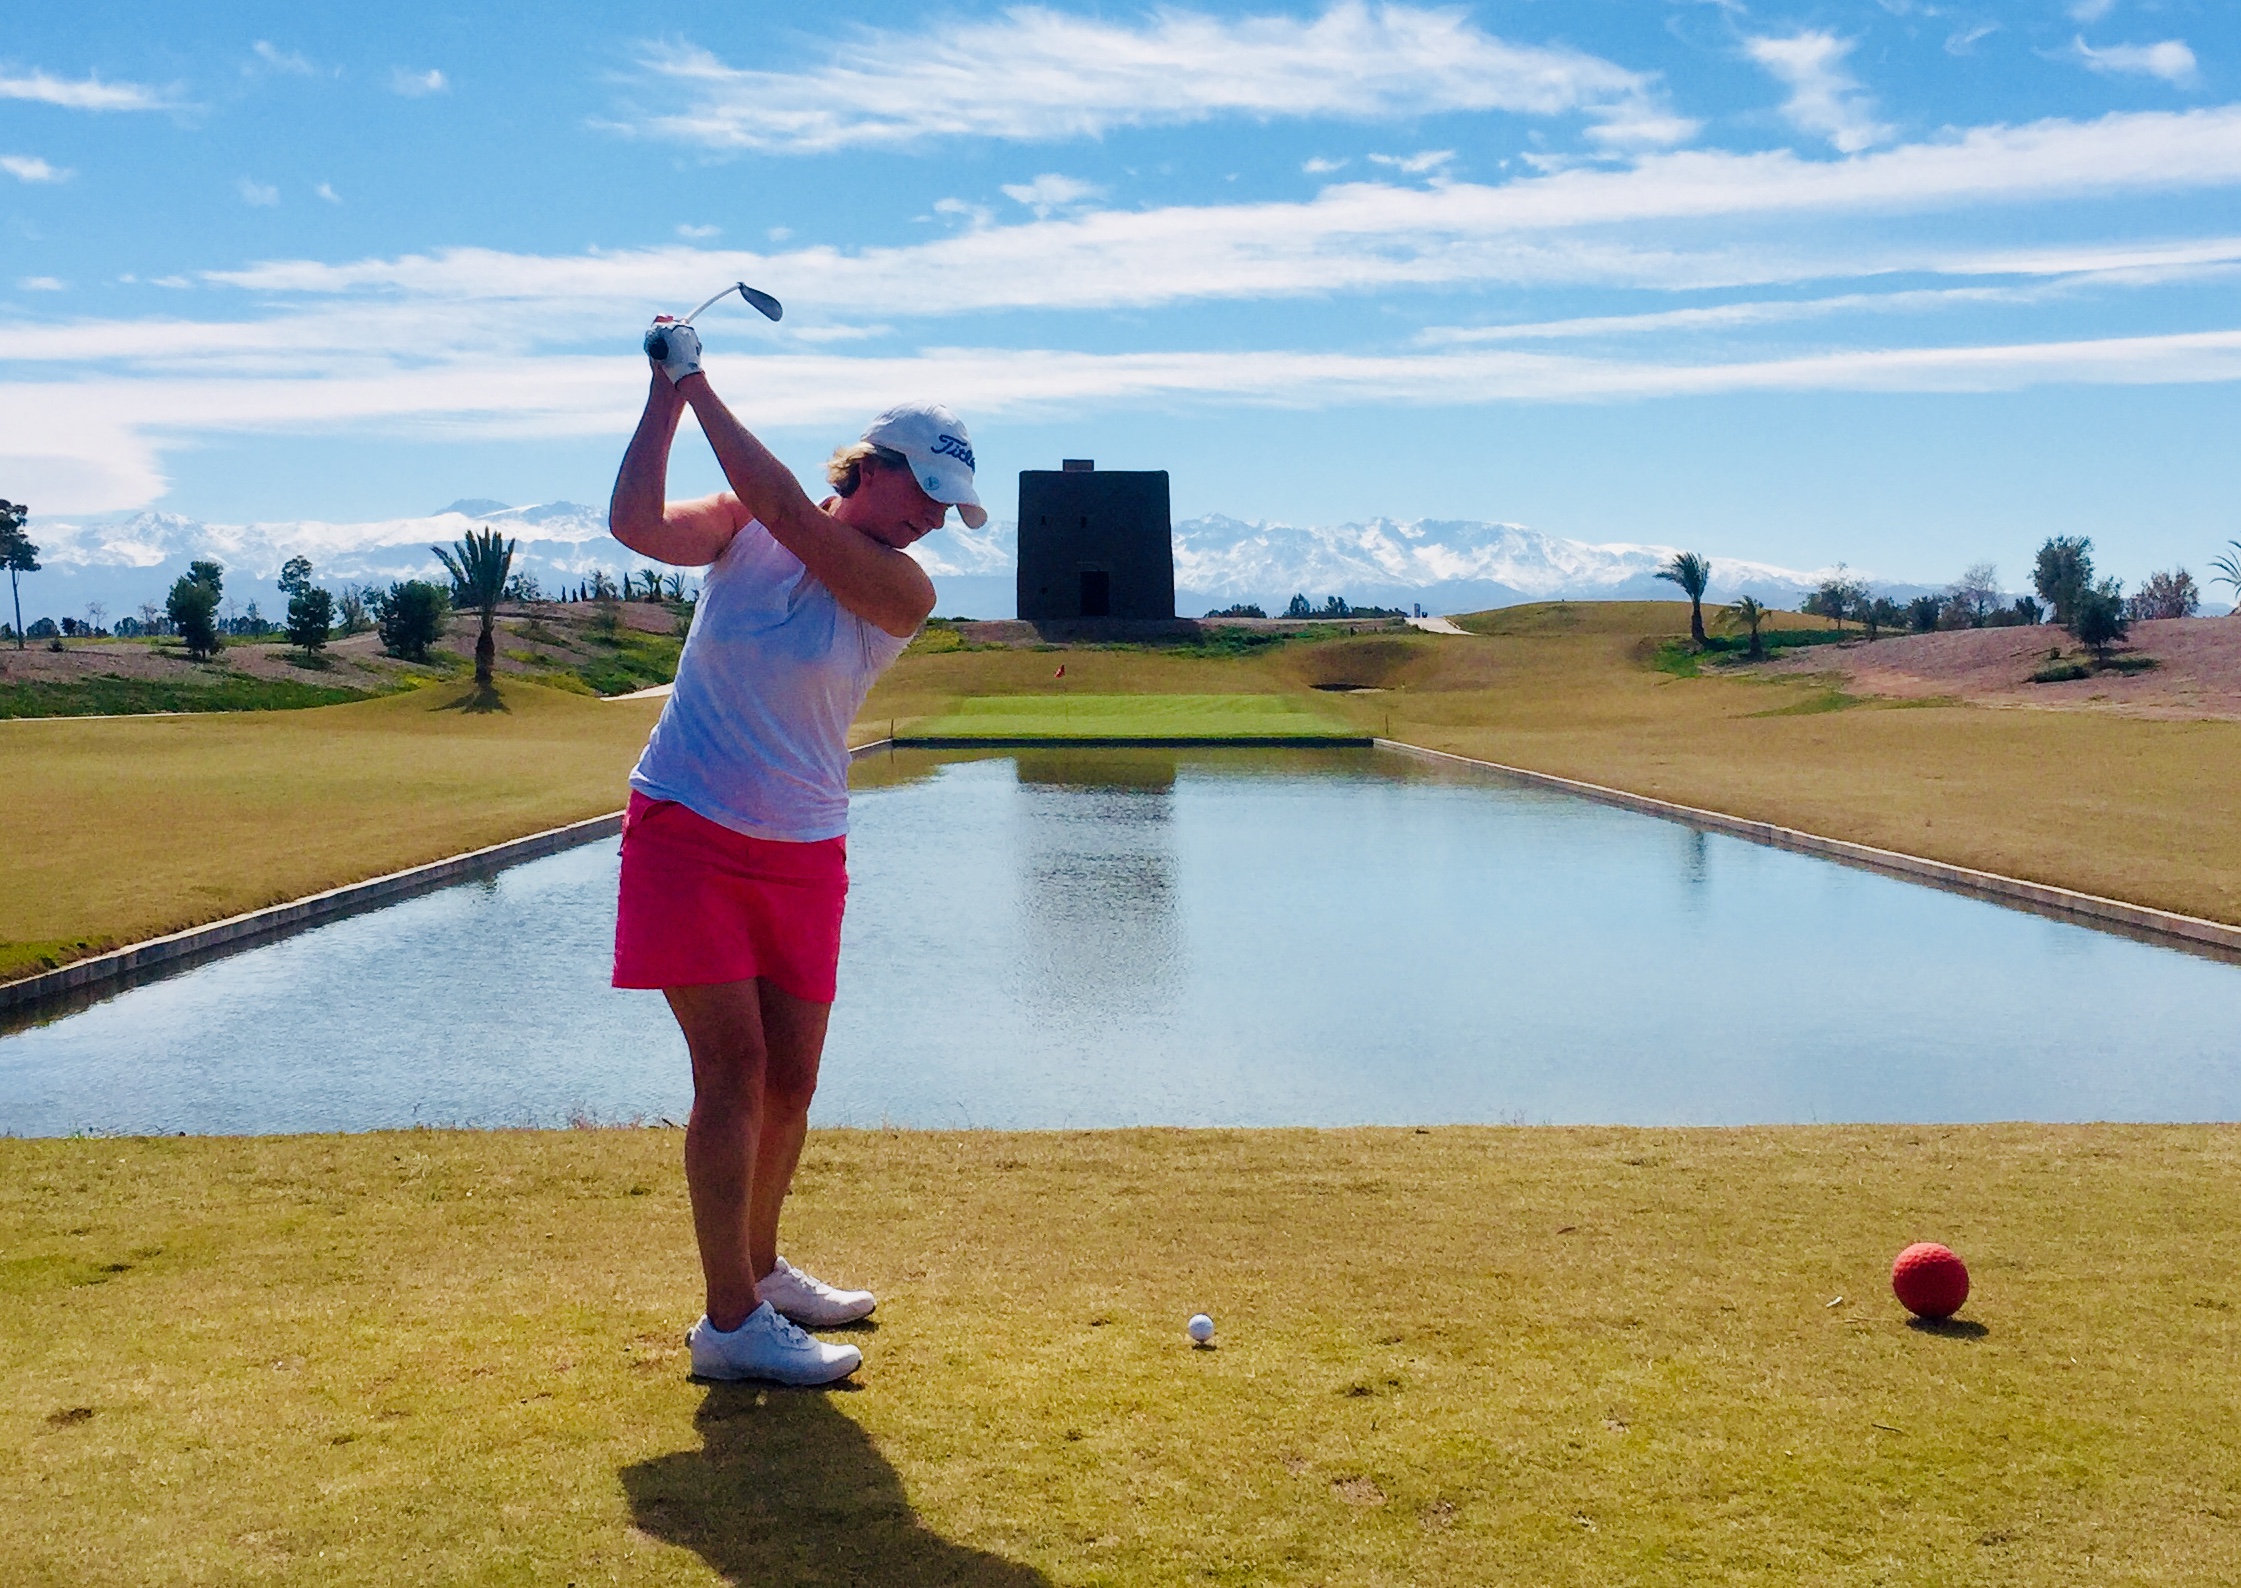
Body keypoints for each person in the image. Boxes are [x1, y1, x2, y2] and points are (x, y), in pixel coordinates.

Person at [607, 318, 985, 1385]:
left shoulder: (902, 592)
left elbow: (784, 504)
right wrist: (667, 397)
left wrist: (700, 377)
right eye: (923, 494)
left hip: (805, 845)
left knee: (792, 1082)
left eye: (946, 510)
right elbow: (633, 521)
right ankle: (729, 1323)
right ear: (872, 466)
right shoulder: (741, 524)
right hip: (687, 823)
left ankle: (760, 1272)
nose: (929, 522)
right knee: (733, 1068)